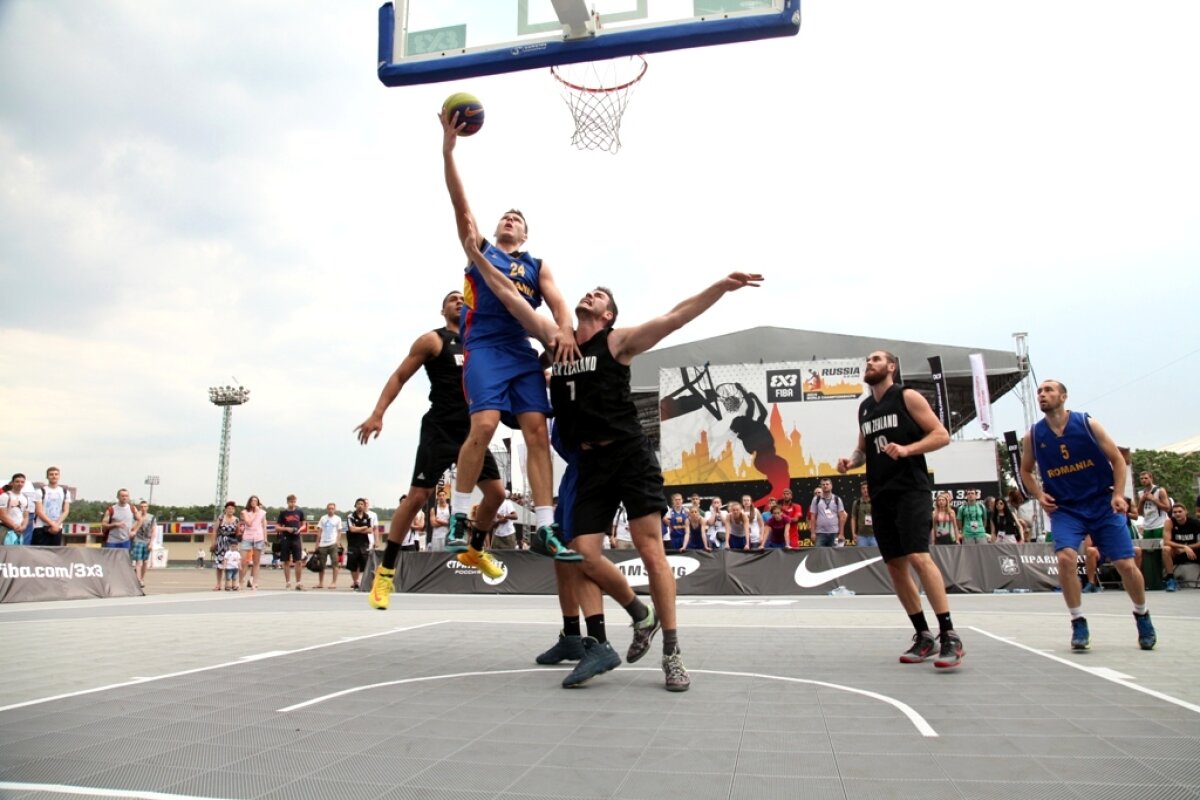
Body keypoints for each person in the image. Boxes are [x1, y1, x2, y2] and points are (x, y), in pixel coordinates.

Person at [465, 220, 763, 691]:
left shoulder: (619, 342)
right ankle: (637, 613)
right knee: (580, 553)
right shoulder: (555, 341)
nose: (591, 295)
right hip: (589, 463)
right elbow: (508, 296)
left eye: (600, 296)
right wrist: (478, 259)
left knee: (651, 551)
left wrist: (720, 288)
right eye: (590, 291)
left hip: (629, 456)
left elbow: (677, 316)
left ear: (607, 315)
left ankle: (671, 652)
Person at [437, 108, 579, 577]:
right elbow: (460, 203)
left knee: (537, 431)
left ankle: (544, 525)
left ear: (525, 232)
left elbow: (558, 303)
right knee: (485, 425)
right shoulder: (481, 248)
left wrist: (562, 332)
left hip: (520, 352)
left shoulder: (537, 265)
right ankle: (459, 514)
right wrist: (449, 148)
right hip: (485, 350)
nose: (509, 220)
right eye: (506, 216)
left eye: (517, 218)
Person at [356, 291, 506, 609]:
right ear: (443, 310)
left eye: (462, 298)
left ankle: (475, 549)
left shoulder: (481, 343)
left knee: (496, 495)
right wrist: (378, 413)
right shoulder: (432, 341)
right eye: (452, 298)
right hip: (440, 429)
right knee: (418, 498)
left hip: (472, 430)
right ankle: (385, 575)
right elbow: (399, 376)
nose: (458, 301)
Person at [836, 350, 963, 669]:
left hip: (911, 489)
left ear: (891, 367)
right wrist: (850, 462)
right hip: (881, 494)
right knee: (894, 566)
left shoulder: (907, 396)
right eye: (867, 360)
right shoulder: (865, 408)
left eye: (876, 360)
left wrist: (908, 449)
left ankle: (949, 634)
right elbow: (862, 450)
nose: (869, 363)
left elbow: (941, 435)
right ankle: (923, 635)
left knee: (919, 556)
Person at [1018, 379, 1156, 651]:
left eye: (1048, 390)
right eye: (1039, 392)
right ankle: (1078, 621)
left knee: (1126, 565)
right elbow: (1025, 470)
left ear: (1064, 396)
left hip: (1102, 502)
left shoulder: (1087, 424)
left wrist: (1118, 494)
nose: (1042, 395)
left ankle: (1142, 614)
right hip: (1066, 508)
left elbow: (1118, 460)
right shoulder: (1033, 435)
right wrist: (1038, 493)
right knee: (1065, 558)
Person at [1163, 503, 1200, 592]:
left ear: (1185, 512)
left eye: (1180, 511)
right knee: (1166, 549)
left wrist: (1186, 548)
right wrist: (1183, 546)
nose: (1177, 514)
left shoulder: (1195, 523)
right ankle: (1170, 579)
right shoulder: (1169, 522)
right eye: (1175, 512)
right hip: (1176, 552)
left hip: (1193, 552)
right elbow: (1166, 541)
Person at [277, 494, 308, 590]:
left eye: (294, 501)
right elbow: (277, 527)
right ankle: (288, 582)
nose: (292, 503)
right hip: (286, 537)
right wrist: (287, 528)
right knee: (286, 561)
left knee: (298, 560)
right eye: (290, 501)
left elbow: (304, 524)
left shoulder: (299, 512)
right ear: (287, 502)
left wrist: (299, 529)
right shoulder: (283, 513)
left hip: (296, 537)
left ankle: (298, 582)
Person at [32, 466, 70, 546]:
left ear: (59, 476)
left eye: (56, 474)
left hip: (57, 527)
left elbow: (66, 510)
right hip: (41, 527)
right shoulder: (40, 491)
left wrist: (57, 524)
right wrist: (52, 524)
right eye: (51, 474)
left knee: (54, 554)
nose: (54, 476)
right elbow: (39, 511)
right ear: (47, 476)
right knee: (38, 553)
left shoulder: (65, 492)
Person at [210, 502, 241, 591]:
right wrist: (213, 543)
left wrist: (240, 534)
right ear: (225, 509)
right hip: (221, 542)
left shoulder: (236, 520)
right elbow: (214, 531)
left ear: (234, 510)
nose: (230, 510)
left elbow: (237, 533)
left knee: (232, 564)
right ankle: (218, 584)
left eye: (232, 509)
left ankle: (232, 584)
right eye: (228, 508)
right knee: (220, 564)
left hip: (231, 543)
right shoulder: (220, 518)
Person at [346, 498, 374, 590]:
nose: (360, 505)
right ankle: (355, 582)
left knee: (365, 564)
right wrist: (364, 527)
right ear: (355, 505)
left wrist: (358, 528)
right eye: (358, 504)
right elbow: (352, 529)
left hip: (364, 544)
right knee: (353, 565)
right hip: (353, 544)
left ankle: (364, 582)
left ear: (364, 506)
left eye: (362, 504)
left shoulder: (368, 517)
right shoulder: (351, 516)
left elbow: (370, 530)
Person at [809, 478, 847, 547]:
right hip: (820, 533)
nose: (825, 486)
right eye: (823, 484)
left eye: (827, 484)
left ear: (831, 486)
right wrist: (813, 533)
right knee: (819, 555)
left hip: (834, 533)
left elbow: (842, 517)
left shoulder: (837, 499)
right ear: (821, 486)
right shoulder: (816, 499)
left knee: (834, 555)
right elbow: (813, 517)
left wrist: (841, 533)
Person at [239, 496, 267, 590]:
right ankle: (240, 581)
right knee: (243, 560)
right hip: (247, 537)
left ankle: (254, 582)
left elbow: (264, 526)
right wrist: (255, 513)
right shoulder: (245, 512)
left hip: (258, 537)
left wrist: (265, 538)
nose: (254, 502)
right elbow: (249, 523)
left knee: (256, 561)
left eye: (256, 501)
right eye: (252, 500)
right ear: (249, 502)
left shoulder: (262, 513)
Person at [100, 489, 139, 553]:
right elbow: (103, 525)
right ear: (118, 497)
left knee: (124, 561)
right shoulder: (111, 509)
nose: (124, 498)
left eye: (126, 496)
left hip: (126, 540)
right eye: (122, 496)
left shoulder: (132, 508)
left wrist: (134, 531)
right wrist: (115, 524)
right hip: (112, 541)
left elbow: (140, 520)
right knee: (111, 561)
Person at [314, 502, 343, 589]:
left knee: (335, 564)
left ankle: (333, 582)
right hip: (323, 544)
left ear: (334, 509)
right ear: (327, 509)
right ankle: (320, 583)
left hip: (333, 544)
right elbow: (319, 531)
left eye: (332, 508)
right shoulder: (323, 518)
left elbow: (339, 531)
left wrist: (337, 542)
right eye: (329, 508)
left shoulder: (338, 519)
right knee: (321, 565)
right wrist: (317, 543)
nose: (330, 510)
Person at [1136, 471, 1171, 540]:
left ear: (1151, 478)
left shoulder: (1160, 490)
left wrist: (1154, 499)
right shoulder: (1140, 493)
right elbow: (1139, 513)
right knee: (1148, 549)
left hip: (1160, 525)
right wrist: (1141, 501)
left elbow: (1168, 508)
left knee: (1160, 548)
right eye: (1141, 479)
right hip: (1147, 526)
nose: (1143, 480)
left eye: (1146, 478)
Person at [131, 501, 155, 587]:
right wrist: (138, 518)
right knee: (139, 561)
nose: (143, 508)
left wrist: (151, 543)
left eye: (145, 506)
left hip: (147, 540)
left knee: (145, 561)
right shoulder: (135, 517)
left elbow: (153, 531)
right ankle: (138, 580)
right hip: (137, 540)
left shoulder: (151, 517)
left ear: (147, 507)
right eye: (141, 506)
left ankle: (142, 578)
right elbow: (132, 528)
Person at [2, 474, 29, 546]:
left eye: (22, 482)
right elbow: (2, 515)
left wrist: (23, 526)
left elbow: (26, 516)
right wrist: (14, 526)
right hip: (5, 529)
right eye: (17, 481)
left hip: (19, 531)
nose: (20, 484)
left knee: (16, 554)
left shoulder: (25, 497)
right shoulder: (5, 496)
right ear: (12, 482)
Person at [849, 481, 875, 547]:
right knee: (862, 557)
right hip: (861, 536)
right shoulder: (857, 503)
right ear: (861, 490)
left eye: (867, 488)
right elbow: (853, 518)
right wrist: (853, 533)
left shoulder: (876, 501)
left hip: (875, 535)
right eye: (863, 488)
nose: (865, 490)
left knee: (876, 556)